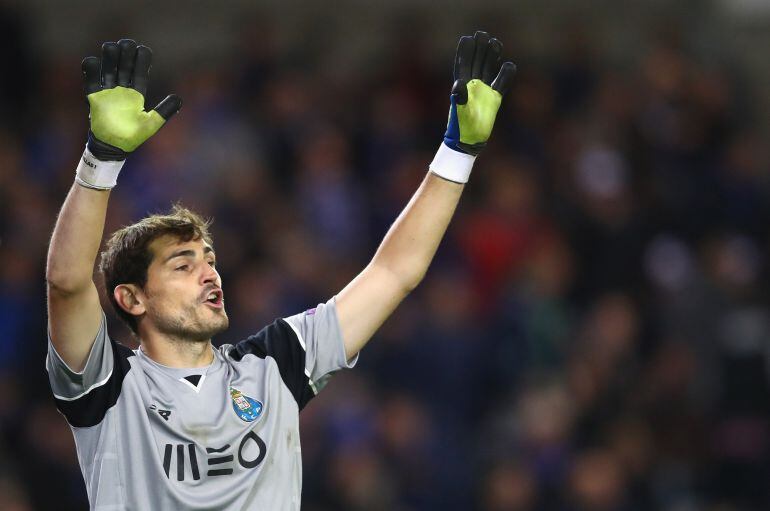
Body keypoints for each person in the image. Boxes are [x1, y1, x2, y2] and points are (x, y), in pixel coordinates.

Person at [45, 33, 515, 510]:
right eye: (183, 265)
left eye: (210, 260)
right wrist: (100, 161)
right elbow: (66, 284)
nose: (210, 274)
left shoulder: (274, 365)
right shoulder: (108, 385)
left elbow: (393, 273)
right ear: (132, 298)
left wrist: (457, 153)